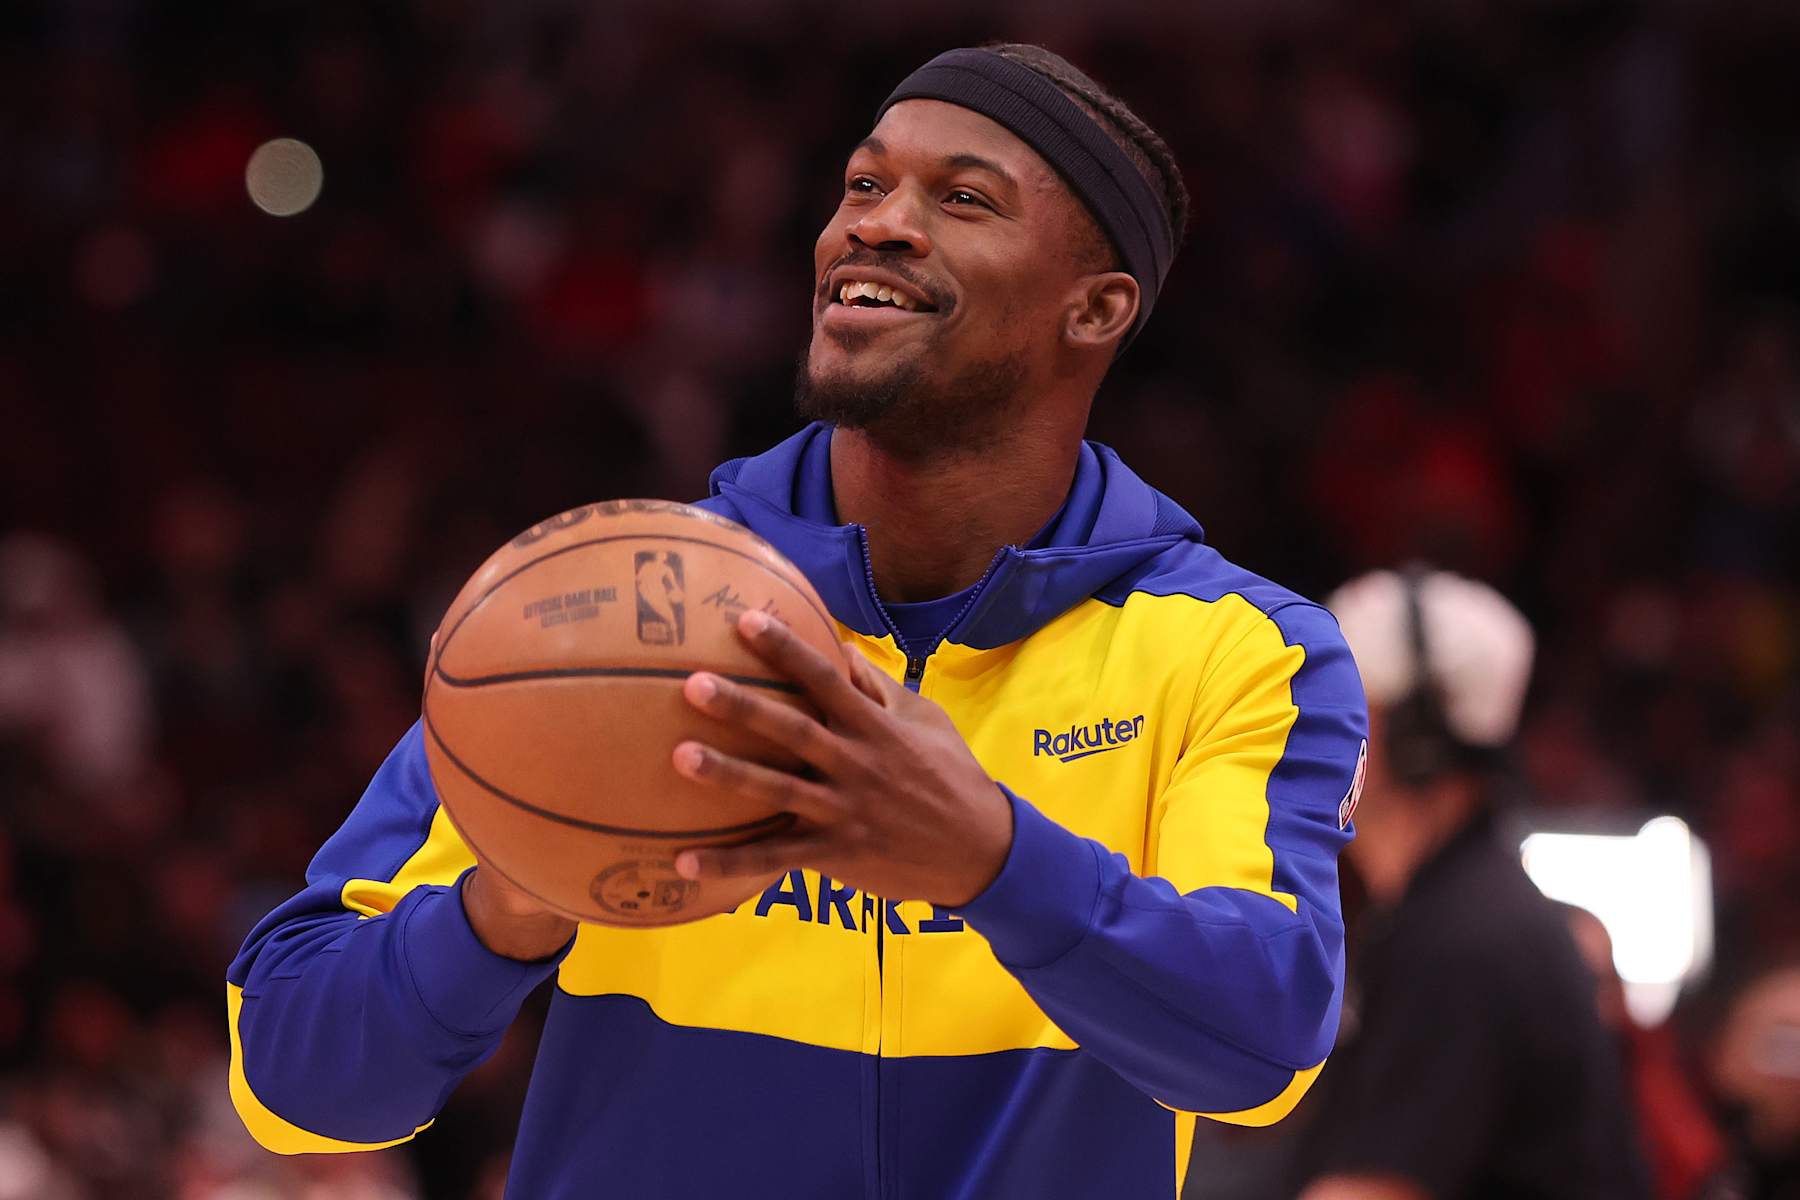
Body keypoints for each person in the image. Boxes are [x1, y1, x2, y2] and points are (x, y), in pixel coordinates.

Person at [226, 44, 1369, 1198]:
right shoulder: (621, 606)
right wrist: (511, 899)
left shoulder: (1237, 653)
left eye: (962, 199)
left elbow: (1261, 1049)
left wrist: (990, 858)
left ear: (1098, 307)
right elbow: (287, 1084)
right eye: (864, 186)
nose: (875, 225)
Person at [1267, 567, 1650, 1199]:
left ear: (1399, 732)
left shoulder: (1463, 943)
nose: (1297, 733)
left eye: (1325, 705)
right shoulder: (1460, 912)